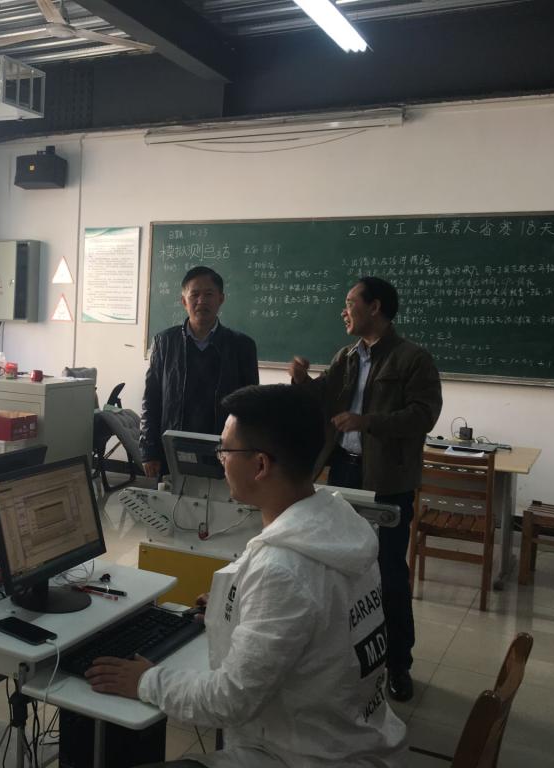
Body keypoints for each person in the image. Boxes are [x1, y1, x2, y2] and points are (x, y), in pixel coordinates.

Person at [87, 384, 407, 768]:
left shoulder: (283, 570)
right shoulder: (341, 527)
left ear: (260, 465)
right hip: (353, 738)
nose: (221, 460)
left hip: (303, 758)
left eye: (226, 450)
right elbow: (317, 622)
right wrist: (235, 611)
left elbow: (229, 700)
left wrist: (145, 681)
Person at [288, 276, 442, 703]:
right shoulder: (346, 356)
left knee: (388, 571)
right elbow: (322, 398)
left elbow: (424, 415)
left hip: (388, 480)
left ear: (374, 307)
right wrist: (302, 381)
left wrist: (367, 422)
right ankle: (344, 655)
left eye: (350, 302)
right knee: (339, 566)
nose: (344, 311)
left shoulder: (413, 359)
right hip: (344, 471)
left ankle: (398, 664)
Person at [140, 266, 258, 478]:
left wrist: (246, 454)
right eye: (194, 294)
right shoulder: (164, 343)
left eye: (209, 294)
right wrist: (149, 450)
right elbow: (151, 399)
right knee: (172, 498)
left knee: (219, 500)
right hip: (173, 449)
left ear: (221, 299)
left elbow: (250, 407)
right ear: (184, 301)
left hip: (223, 451)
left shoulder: (242, 346)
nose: (201, 301)